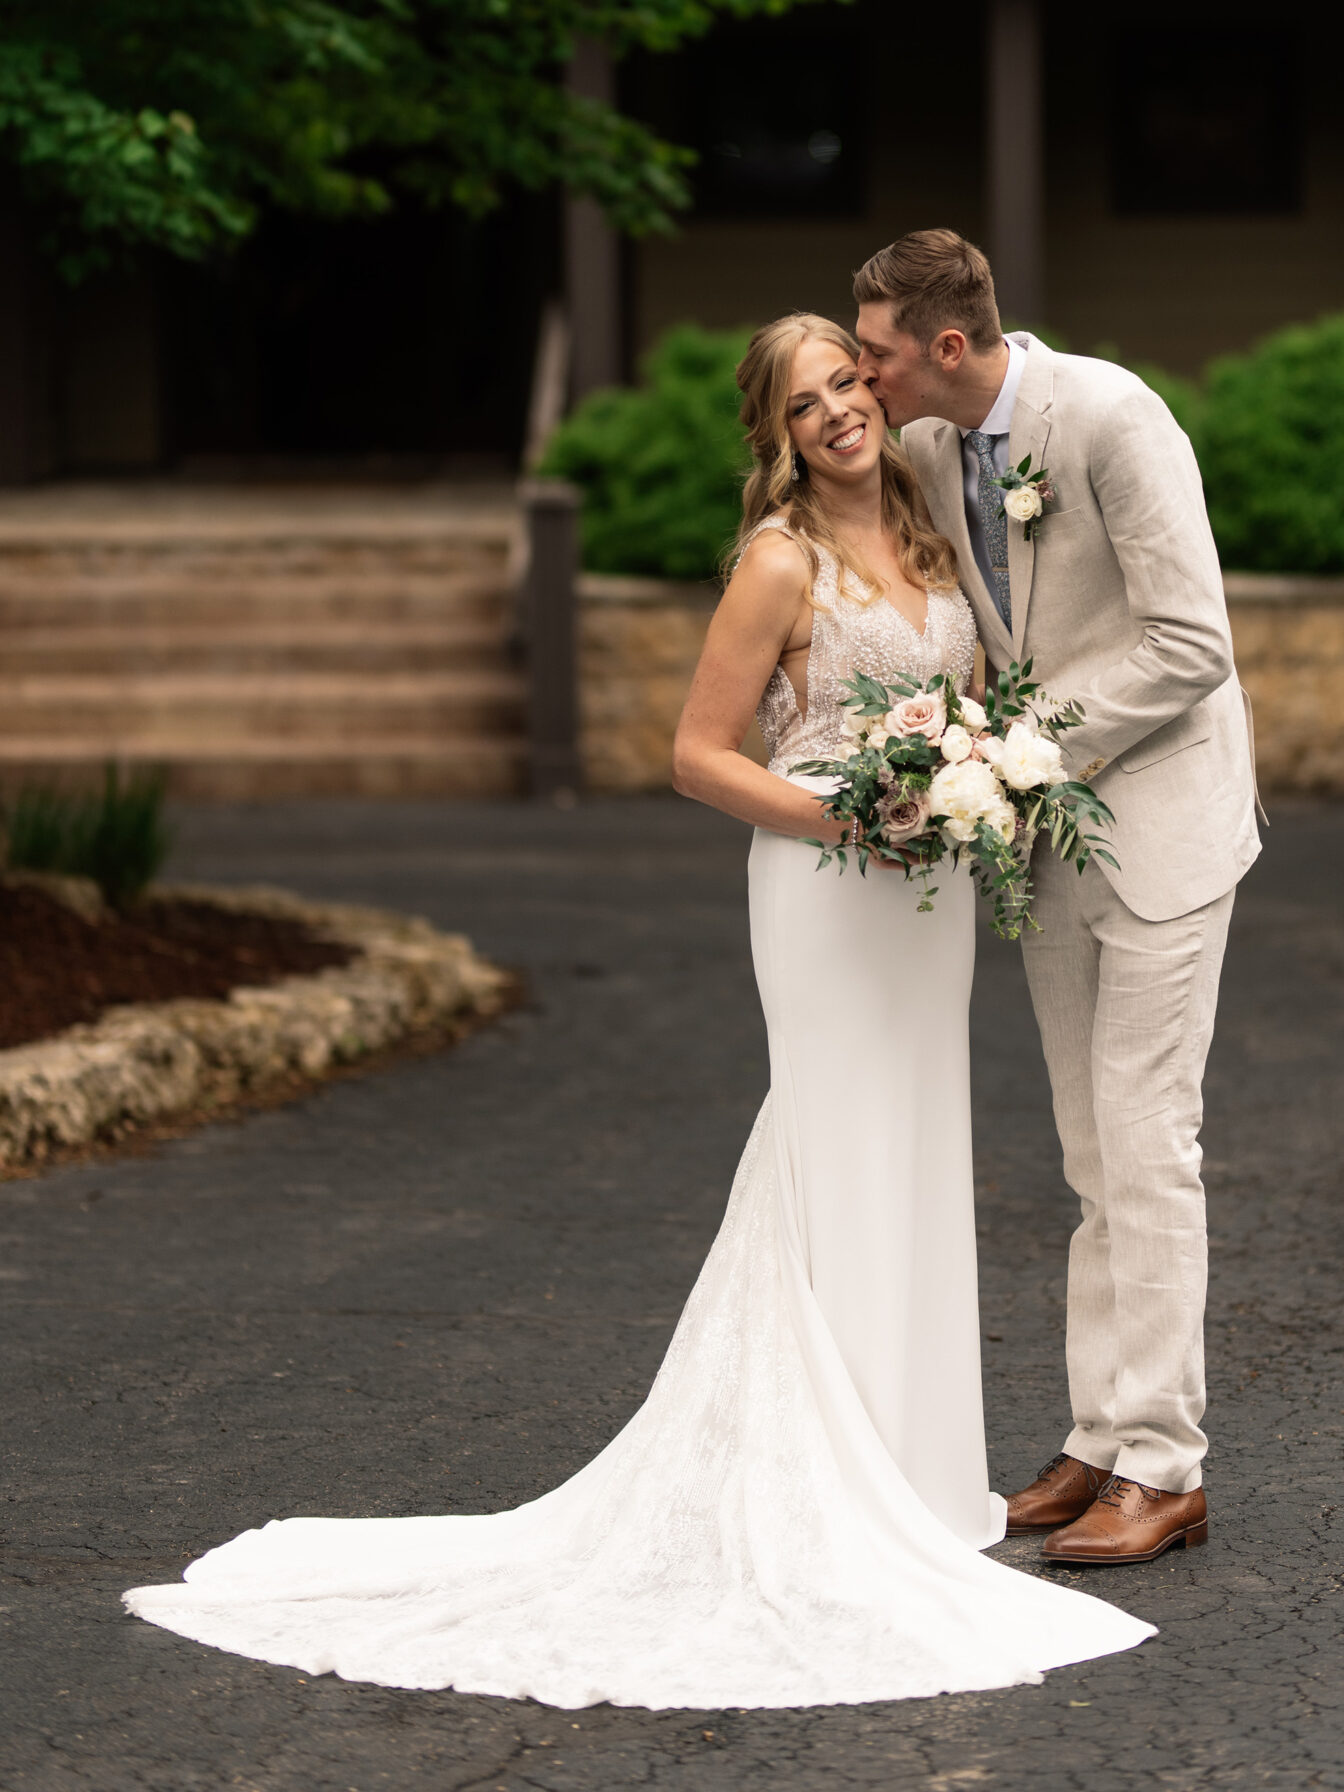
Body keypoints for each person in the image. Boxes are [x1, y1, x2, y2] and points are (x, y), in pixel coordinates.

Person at [124, 312, 1147, 1709]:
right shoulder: (777, 561)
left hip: (930, 901)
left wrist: (965, 780)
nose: (840, 411)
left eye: (848, 381)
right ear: (777, 434)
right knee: (835, 1150)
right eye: (806, 403)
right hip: (827, 886)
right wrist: (854, 819)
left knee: (919, 1153)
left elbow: (973, 701)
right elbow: (693, 756)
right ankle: (821, 1489)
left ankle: (914, 1476)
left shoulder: (929, 531)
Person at [854, 233, 1261, 1568]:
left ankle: (1166, 1465)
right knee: (1093, 1156)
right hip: (1043, 838)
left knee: (1149, 1141)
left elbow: (1192, 642)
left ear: (950, 350)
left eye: (878, 353)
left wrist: (1023, 751)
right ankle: (1101, 1437)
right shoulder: (926, 448)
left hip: (1161, 829)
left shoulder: (1112, 415)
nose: (865, 375)